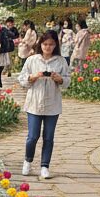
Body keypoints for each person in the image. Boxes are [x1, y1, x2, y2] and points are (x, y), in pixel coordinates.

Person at [18, 29, 71, 180]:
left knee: (48, 137)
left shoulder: (60, 61)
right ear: (40, 44)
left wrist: (59, 79)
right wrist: (32, 77)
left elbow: (67, 81)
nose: (47, 47)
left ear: (55, 45)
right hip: (34, 103)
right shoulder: (32, 60)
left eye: (51, 44)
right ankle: (28, 161)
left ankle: (45, 166)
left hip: (52, 105)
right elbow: (21, 79)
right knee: (32, 136)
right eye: (45, 44)